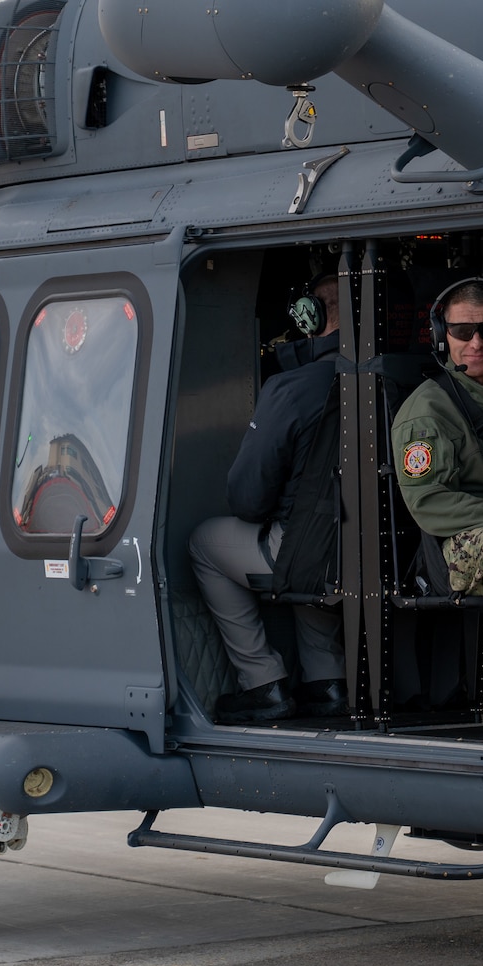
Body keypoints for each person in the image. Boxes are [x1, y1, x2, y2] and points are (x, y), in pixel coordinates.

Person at [188, 269, 346, 725]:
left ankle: (262, 683)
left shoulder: (291, 388)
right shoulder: (402, 379)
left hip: (310, 554)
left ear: (310, 317)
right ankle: (326, 682)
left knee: (204, 543)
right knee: (316, 544)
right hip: (379, 555)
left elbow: (247, 499)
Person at [392, 278, 483, 738]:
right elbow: (429, 500)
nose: (476, 342)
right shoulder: (427, 410)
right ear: (441, 335)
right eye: (462, 331)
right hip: (457, 545)